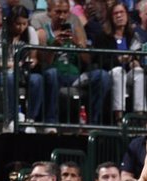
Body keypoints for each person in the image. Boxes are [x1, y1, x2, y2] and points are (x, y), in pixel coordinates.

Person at [37, 0, 111, 128]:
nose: (62, 16)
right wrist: (54, 45)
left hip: (76, 77)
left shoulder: (76, 31)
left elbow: (88, 60)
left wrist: (77, 44)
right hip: (56, 76)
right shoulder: (43, 32)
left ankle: (93, 123)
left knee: (102, 76)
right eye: (58, 12)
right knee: (51, 73)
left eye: (65, 12)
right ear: (49, 12)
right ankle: (51, 122)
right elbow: (45, 62)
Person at [0, 5, 43, 130]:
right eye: (18, 24)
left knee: (37, 79)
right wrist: (8, 64)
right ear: (11, 23)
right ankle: (11, 118)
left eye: (24, 24)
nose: (21, 27)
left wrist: (31, 62)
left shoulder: (30, 32)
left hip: (24, 72)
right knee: (10, 78)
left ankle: (30, 119)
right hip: (1, 74)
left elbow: (34, 57)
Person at [93, 1, 146, 125]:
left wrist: (135, 62)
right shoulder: (103, 36)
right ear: (111, 18)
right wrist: (118, 60)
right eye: (115, 13)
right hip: (110, 73)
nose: (119, 16)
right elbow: (100, 60)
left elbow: (138, 55)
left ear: (127, 15)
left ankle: (140, 115)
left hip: (128, 73)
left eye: (121, 12)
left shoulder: (132, 35)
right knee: (118, 71)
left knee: (139, 71)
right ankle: (119, 117)